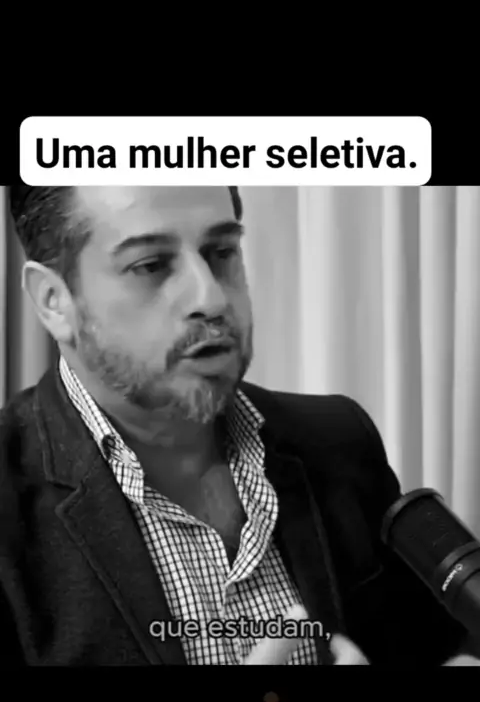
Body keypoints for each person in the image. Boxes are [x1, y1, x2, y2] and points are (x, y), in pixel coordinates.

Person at [0, 184, 477, 667]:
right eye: (151, 265)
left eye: (222, 252)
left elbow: (437, 645)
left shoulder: (338, 440)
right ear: (54, 300)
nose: (210, 298)